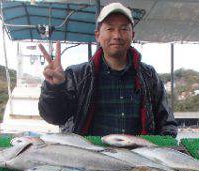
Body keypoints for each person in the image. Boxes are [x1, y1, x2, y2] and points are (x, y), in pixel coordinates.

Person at [38, 2, 177, 137]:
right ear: (97, 35)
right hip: (90, 157)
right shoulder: (76, 75)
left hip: (137, 158)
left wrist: (162, 148)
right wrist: (54, 88)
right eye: (110, 29)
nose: (117, 35)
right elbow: (55, 117)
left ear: (132, 35)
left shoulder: (149, 75)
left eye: (124, 29)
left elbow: (167, 123)